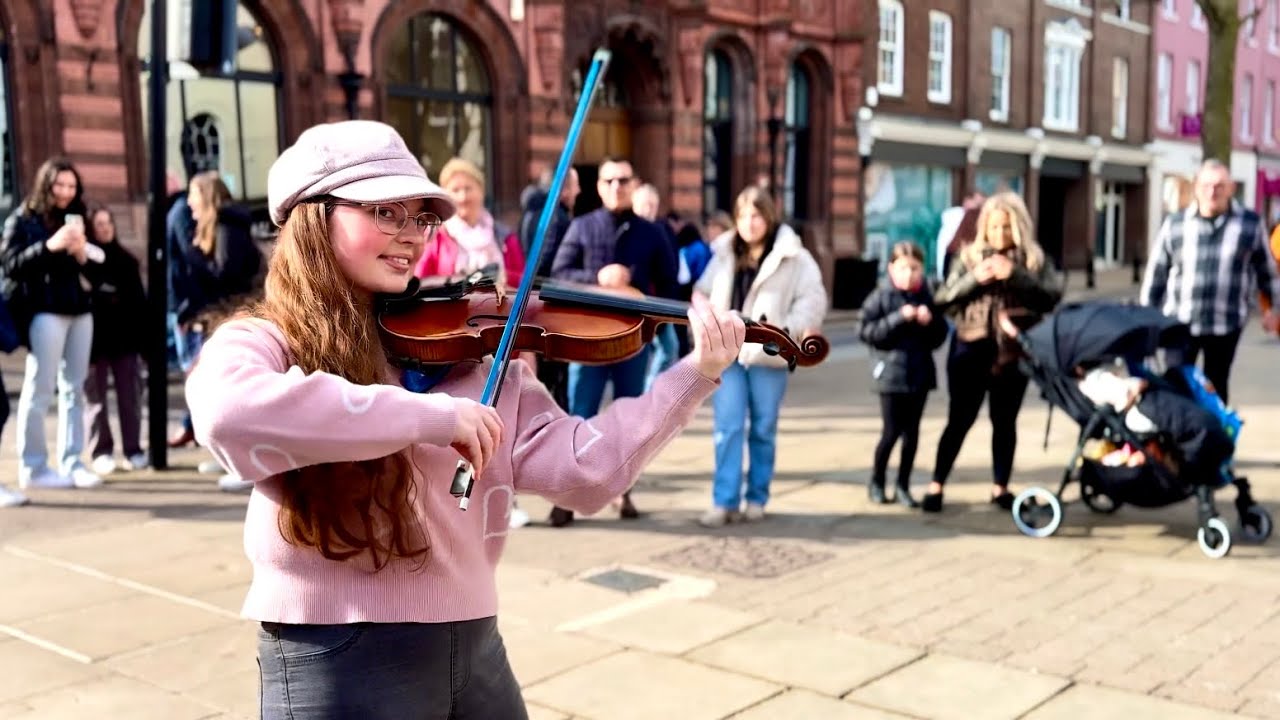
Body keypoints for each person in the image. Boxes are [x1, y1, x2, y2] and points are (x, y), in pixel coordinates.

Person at [183, 119, 746, 719]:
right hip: (338, 653)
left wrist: (696, 375)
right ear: (314, 217)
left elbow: (592, 471)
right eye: (385, 213)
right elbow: (226, 414)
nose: (411, 237)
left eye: (419, 217)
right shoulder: (268, 340)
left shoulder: (470, 353)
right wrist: (429, 417)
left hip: (474, 642)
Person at [548, 156, 679, 526]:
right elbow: (558, 276)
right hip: (586, 342)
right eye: (609, 181)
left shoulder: (652, 232)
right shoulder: (583, 225)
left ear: (634, 184)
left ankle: (624, 491)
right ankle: (567, 496)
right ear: (599, 187)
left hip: (633, 343)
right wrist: (598, 276)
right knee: (578, 419)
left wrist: (638, 289)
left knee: (630, 421)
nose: (616, 187)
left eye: (623, 180)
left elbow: (669, 285)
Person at [694, 186, 828, 527]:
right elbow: (702, 292)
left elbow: (813, 299)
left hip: (769, 355)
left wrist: (784, 332)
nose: (749, 223)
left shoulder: (793, 255)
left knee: (764, 428)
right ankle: (724, 501)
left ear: (768, 217)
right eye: (743, 216)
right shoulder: (723, 251)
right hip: (728, 353)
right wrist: (706, 324)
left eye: (756, 215)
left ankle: (756, 497)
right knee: (728, 426)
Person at [926, 192, 1063, 513]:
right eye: (993, 227)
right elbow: (944, 299)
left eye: (1006, 227)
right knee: (959, 420)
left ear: (1018, 227)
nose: (999, 234)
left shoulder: (1033, 259)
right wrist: (976, 279)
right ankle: (936, 484)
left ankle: (1000, 487)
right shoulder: (969, 257)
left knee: (1005, 422)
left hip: (1012, 354)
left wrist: (1015, 276)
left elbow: (1050, 299)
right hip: (970, 350)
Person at [0, 157, 104, 491]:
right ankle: (34, 465)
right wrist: (49, 246)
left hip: (80, 310)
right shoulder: (23, 219)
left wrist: (82, 255)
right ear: (46, 184)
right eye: (59, 185)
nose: (65, 192)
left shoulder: (78, 217)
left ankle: (73, 462)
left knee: (75, 388)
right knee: (40, 389)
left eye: (71, 186)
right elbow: (11, 264)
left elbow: (97, 272)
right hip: (45, 312)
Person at [1140, 159, 1280, 404]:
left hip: (1226, 323)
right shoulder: (1175, 224)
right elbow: (1157, 275)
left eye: (1219, 185)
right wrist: (1144, 318)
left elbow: (1266, 272)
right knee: (1176, 386)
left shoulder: (1249, 224)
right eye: (1206, 185)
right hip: (1179, 323)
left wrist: (1274, 310)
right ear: (1196, 187)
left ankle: (1215, 440)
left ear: (1231, 188)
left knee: (1216, 386)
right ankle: (1178, 440)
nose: (1212, 191)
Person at [858, 241, 949, 508]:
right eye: (903, 268)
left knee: (912, 435)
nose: (909, 274)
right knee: (890, 433)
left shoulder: (928, 296)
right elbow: (866, 331)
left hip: (919, 375)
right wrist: (899, 317)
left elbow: (939, 338)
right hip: (890, 376)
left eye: (914, 268)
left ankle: (903, 485)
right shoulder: (881, 297)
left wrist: (930, 320)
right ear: (891, 269)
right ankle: (877, 480)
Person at [84, 207, 149, 475]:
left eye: (108, 222)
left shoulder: (127, 261)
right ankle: (101, 450)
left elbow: (139, 305)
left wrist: (144, 344)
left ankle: (133, 449)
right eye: (98, 224)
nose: (105, 228)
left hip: (124, 340)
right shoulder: (84, 260)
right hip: (94, 342)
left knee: (129, 397)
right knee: (95, 399)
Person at [414, 157, 525, 288]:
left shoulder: (506, 238)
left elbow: (524, 284)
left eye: (468, 188)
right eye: (455, 190)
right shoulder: (433, 237)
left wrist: (503, 276)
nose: (463, 197)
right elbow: (418, 283)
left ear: (481, 191)